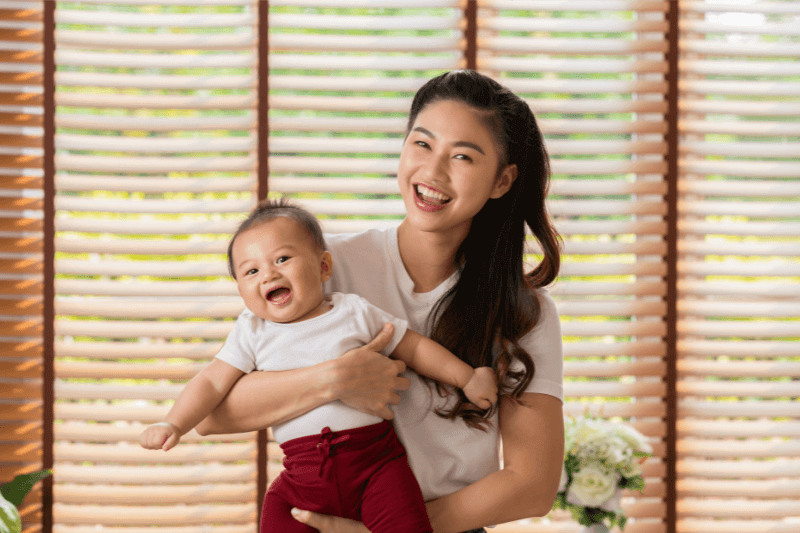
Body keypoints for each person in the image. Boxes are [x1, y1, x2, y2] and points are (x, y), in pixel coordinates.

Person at [196, 69, 565, 533]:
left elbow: (533, 484)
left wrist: (390, 526)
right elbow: (212, 411)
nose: (432, 172)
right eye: (422, 144)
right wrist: (333, 379)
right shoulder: (322, 266)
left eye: (464, 157)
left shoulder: (523, 311)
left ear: (502, 181)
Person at [139, 198, 498, 533]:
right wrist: (174, 422)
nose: (268, 275)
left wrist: (467, 378)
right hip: (302, 476)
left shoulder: (352, 311)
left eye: (282, 259)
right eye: (250, 271)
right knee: (275, 514)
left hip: (375, 465)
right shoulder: (251, 331)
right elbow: (212, 383)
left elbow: (415, 348)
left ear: (323, 266)